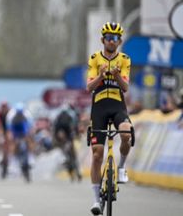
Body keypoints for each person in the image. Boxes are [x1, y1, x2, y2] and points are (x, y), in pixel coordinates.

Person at [86, 22, 133, 215]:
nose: (111, 41)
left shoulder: (124, 59)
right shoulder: (95, 58)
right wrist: (100, 75)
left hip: (117, 105)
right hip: (99, 106)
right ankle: (97, 201)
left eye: (115, 38)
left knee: (126, 133)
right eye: (108, 38)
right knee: (97, 154)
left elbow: (125, 87)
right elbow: (89, 87)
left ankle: (121, 167)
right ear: (102, 40)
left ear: (119, 41)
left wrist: (116, 75)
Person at [6, 103, 35, 182]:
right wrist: (10, 135)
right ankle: (13, 162)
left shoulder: (27, 114)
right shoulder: (10, 114)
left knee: (29, 139)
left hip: (23, 126)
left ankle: (31, 157)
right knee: (13, 143)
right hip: (14, 127)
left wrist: (30, 133)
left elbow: (31, 125)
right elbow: (9, 127)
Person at [53, 103, 82, 182]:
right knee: (73, 155)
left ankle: (66, 160)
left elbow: (55, 129)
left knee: (66, 153)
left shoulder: (59, 116)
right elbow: (75, 127)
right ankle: (77, 172)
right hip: (68, 134)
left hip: (63, 135)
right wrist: (77, 135)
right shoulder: (71, 115)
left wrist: (56, 140)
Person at [0, 101, 11, 179]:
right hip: (0, 130)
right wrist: (0, 134)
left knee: (8, 145)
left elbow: (11, 125)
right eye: (3, 107)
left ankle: (8, 158)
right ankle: (0, 154)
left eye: (5, 107)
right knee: (0, 141)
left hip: (9, 130)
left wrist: (9, 134)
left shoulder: (10, 114)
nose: (4, 109)